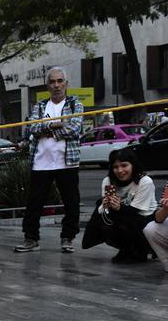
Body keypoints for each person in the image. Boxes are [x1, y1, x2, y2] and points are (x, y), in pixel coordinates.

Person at [14, 67, 83, 254]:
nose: (56, 85)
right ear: (47, 85)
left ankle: (67, 238)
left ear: (66, 83)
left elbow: (75, 128)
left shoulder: (75, 103)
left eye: (60, 81)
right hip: (41, 162)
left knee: (71, 202)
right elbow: (32, 128)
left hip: (67, 161)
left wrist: (47, 128)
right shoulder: (40, 105)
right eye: (52, 82)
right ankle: (31, 239)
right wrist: (58, 124)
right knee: (34, 203)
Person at [81, 148, 156, 263]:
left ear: (133, 165)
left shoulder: (144, 181)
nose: (120, 170)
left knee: (129, 221)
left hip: (144, 218)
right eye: (115, 167)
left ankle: (140, 250)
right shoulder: (108, 180)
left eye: (124, 165)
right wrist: (105, 205)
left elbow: (138, 210)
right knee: (102, 216)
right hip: (120, 214)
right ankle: (125, 248)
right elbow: (104, 210)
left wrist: (119, 207)